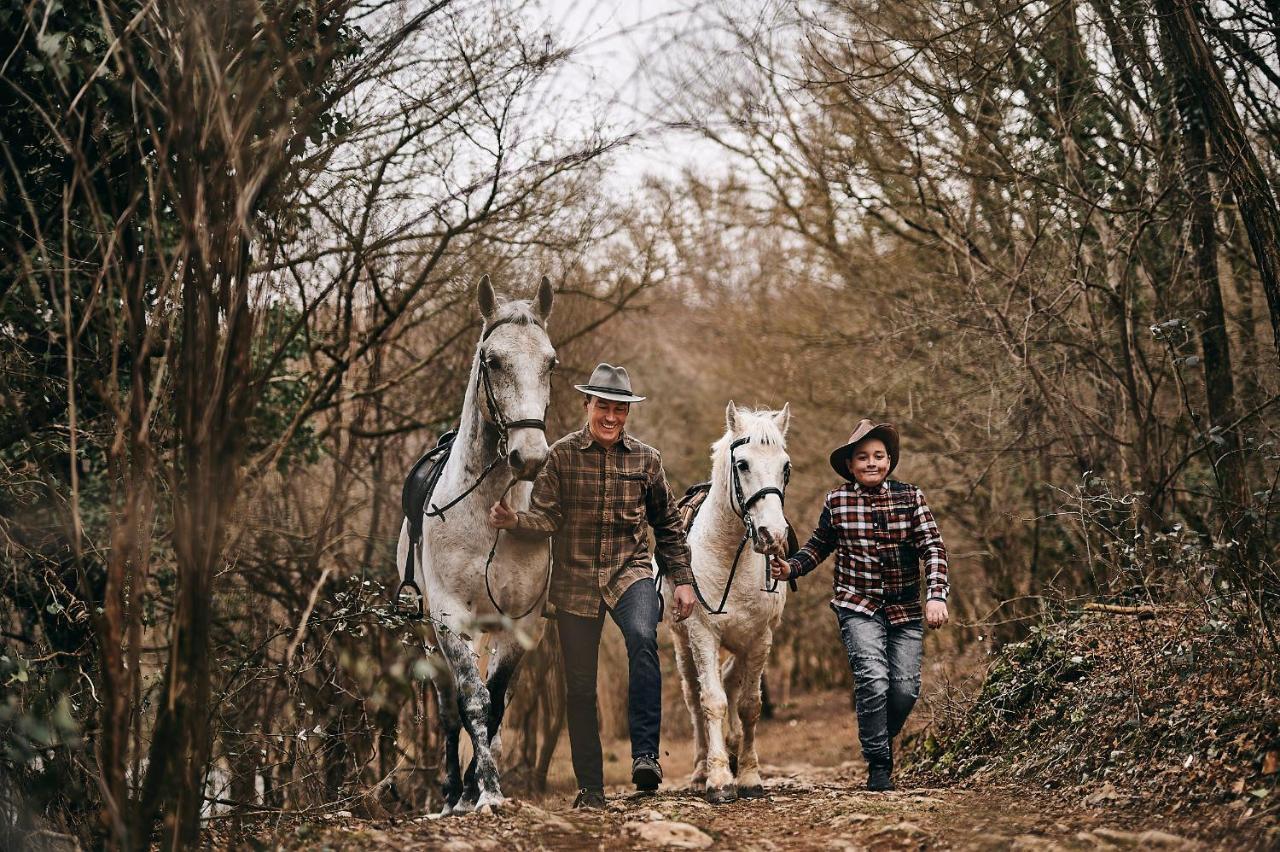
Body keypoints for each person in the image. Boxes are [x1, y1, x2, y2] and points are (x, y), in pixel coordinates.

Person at [489, 363, 697, 808]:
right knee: (580, 686)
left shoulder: (646, 460)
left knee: (643, 639)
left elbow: (668, 525)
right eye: (603, 406)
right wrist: (514, 521)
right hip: (575, 581)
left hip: (631, 572)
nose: (611, 417)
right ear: (588, 405)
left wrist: (682, 580)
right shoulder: (561, 456)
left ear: (627, 412)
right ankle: (591, 788)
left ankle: (645, 757)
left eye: (619, 409)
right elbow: (548, 517)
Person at [770, 419, 949, 792]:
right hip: (857, 605)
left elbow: (932, 547)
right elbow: (819, 546)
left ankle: (878, 735)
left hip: (905, 610)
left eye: (879, 456)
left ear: (890, 461)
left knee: (905, 689)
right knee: (873, 680)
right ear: (850, 466)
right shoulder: (837, 501)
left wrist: (935, 594)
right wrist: (790, 568)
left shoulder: (911, 498)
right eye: (863, 457)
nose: (871, 463)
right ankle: (879, 765)